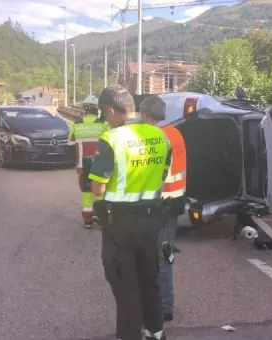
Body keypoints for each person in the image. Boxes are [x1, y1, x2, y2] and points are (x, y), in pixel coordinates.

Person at [88, 85, 170, 340]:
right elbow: (163, 175)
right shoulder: (160, 137)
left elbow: (98, 188)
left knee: (126, 288)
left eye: (105, 114)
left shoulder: (111, 139)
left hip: (119, 224)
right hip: (151, 220)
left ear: (111, 110)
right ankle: (156, 333)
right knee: (149, 280)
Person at [139, 96, 186, 323]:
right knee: (166, 254)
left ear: (146, 115)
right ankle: (165, 306)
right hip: (175, 201)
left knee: (155, 257)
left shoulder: (152, 137)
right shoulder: (176, 133)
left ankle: (163, 306)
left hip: (157, 205)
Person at [70, 96, 110, 228]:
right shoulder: (104, 126)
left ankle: (88, 220)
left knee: (86, 192)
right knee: (100, 191)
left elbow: (70, 144)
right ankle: (100, 217)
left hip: (82, 166)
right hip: (100, 164)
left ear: (84, 109)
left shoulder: (76, 126)